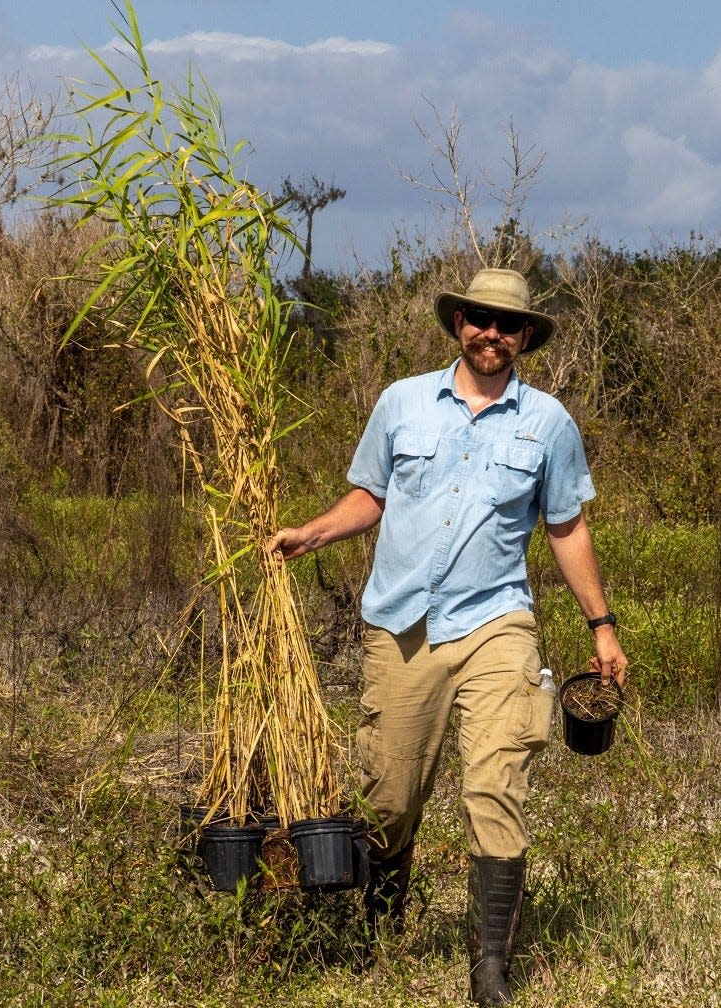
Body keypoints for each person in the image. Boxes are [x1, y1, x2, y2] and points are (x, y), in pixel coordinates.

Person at [269, 267, 628, 1006]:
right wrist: (313, 532)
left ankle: (487, 970)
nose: (489, 333)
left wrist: (602, 626)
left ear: (525, 336)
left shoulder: (547, 423)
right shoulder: (402, 402)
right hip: (401, 623)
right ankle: (379, 917)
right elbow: (370, 494)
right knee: (388, 792)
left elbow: (564, 524)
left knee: (496, 782)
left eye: (506, 324)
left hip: (496, 623)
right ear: (457, 323)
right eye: (477, 319)